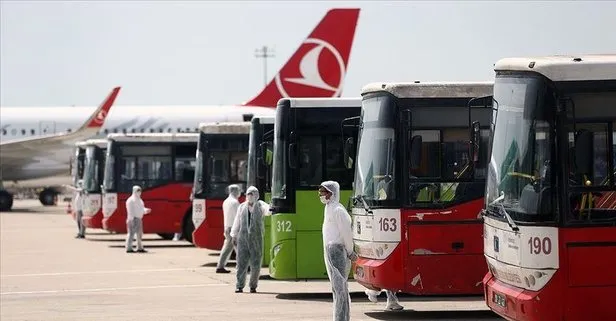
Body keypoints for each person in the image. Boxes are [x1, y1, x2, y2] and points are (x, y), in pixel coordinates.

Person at [320, 180, 357, 321]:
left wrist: (350, 251)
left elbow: (346, 233)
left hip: (337, 251)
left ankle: (341, 318)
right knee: (337, 289)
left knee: (340, 289)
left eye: (324, 192)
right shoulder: (329, 208)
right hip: (330, 251)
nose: (321, 195)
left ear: (332, 193)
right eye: (321, 192)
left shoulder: (338, 210)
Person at [230, 186, 269, 293]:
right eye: (248, 194)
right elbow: (237, 221)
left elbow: (268, 210)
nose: (250, 196)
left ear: (256, 195)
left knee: (256, 264)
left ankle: (253, 285)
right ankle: (239, 285)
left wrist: (272, 208)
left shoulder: (260, 205)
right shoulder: (242, 207)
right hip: (243, 239)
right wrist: (233, 235)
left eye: (252, 194)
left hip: (256, 239)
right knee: (241, 263)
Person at [216, 184, 241, 273]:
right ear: (234, 191)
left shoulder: (226, 201)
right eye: (238, 190)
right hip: (233, 228)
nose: (239, 192)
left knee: (227, 248)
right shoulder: (235, 202)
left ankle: (220, 266)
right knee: (239, 247)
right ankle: (243, 266)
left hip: (227, 227)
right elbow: (238, 217)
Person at [125, 185, 151, 253]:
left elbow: (141, 209)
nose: (139, 192)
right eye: (137, 191)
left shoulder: (139, 200)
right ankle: (129, 248)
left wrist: (146, 210)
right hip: (133, 219)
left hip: (139, 219)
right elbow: (130, 210)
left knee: (139, 234)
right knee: (131, 234)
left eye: (140, 191)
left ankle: (139, 247)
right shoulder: (130, 200)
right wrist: (132, 219)